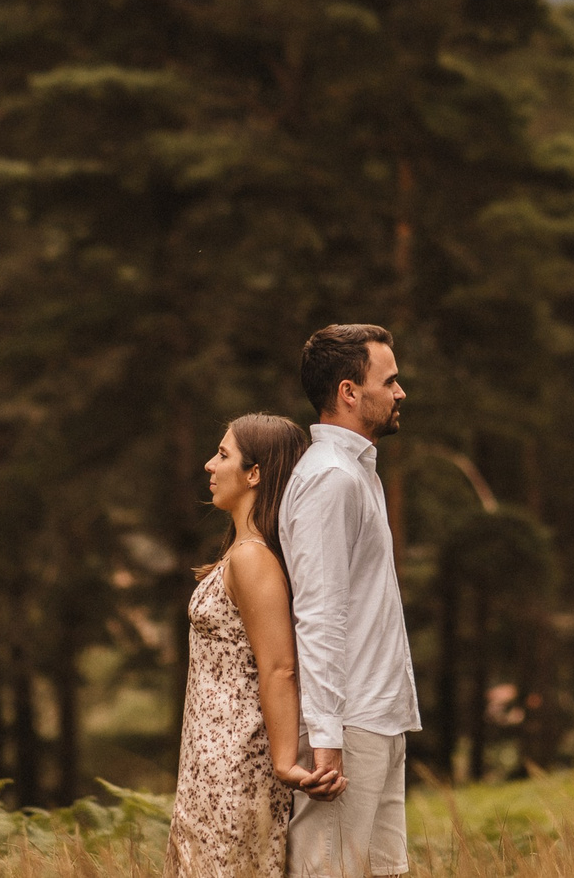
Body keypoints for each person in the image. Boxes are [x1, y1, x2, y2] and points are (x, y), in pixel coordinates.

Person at [169, 414, 346, 878]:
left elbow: (280, 667)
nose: (210, 465)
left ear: (255, 473)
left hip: (236, 765)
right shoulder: (241, 552)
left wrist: (286, 763)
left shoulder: (252, 559)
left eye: (223, 455)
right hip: (210, 763)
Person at [279, 325, 417, 878]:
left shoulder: (356, 474)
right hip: (348, 725)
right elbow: (318, 613)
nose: (401, 392)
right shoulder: (331, 479)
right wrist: (327, 737)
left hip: (378, 717)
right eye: (390, 380)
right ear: (349, 392)